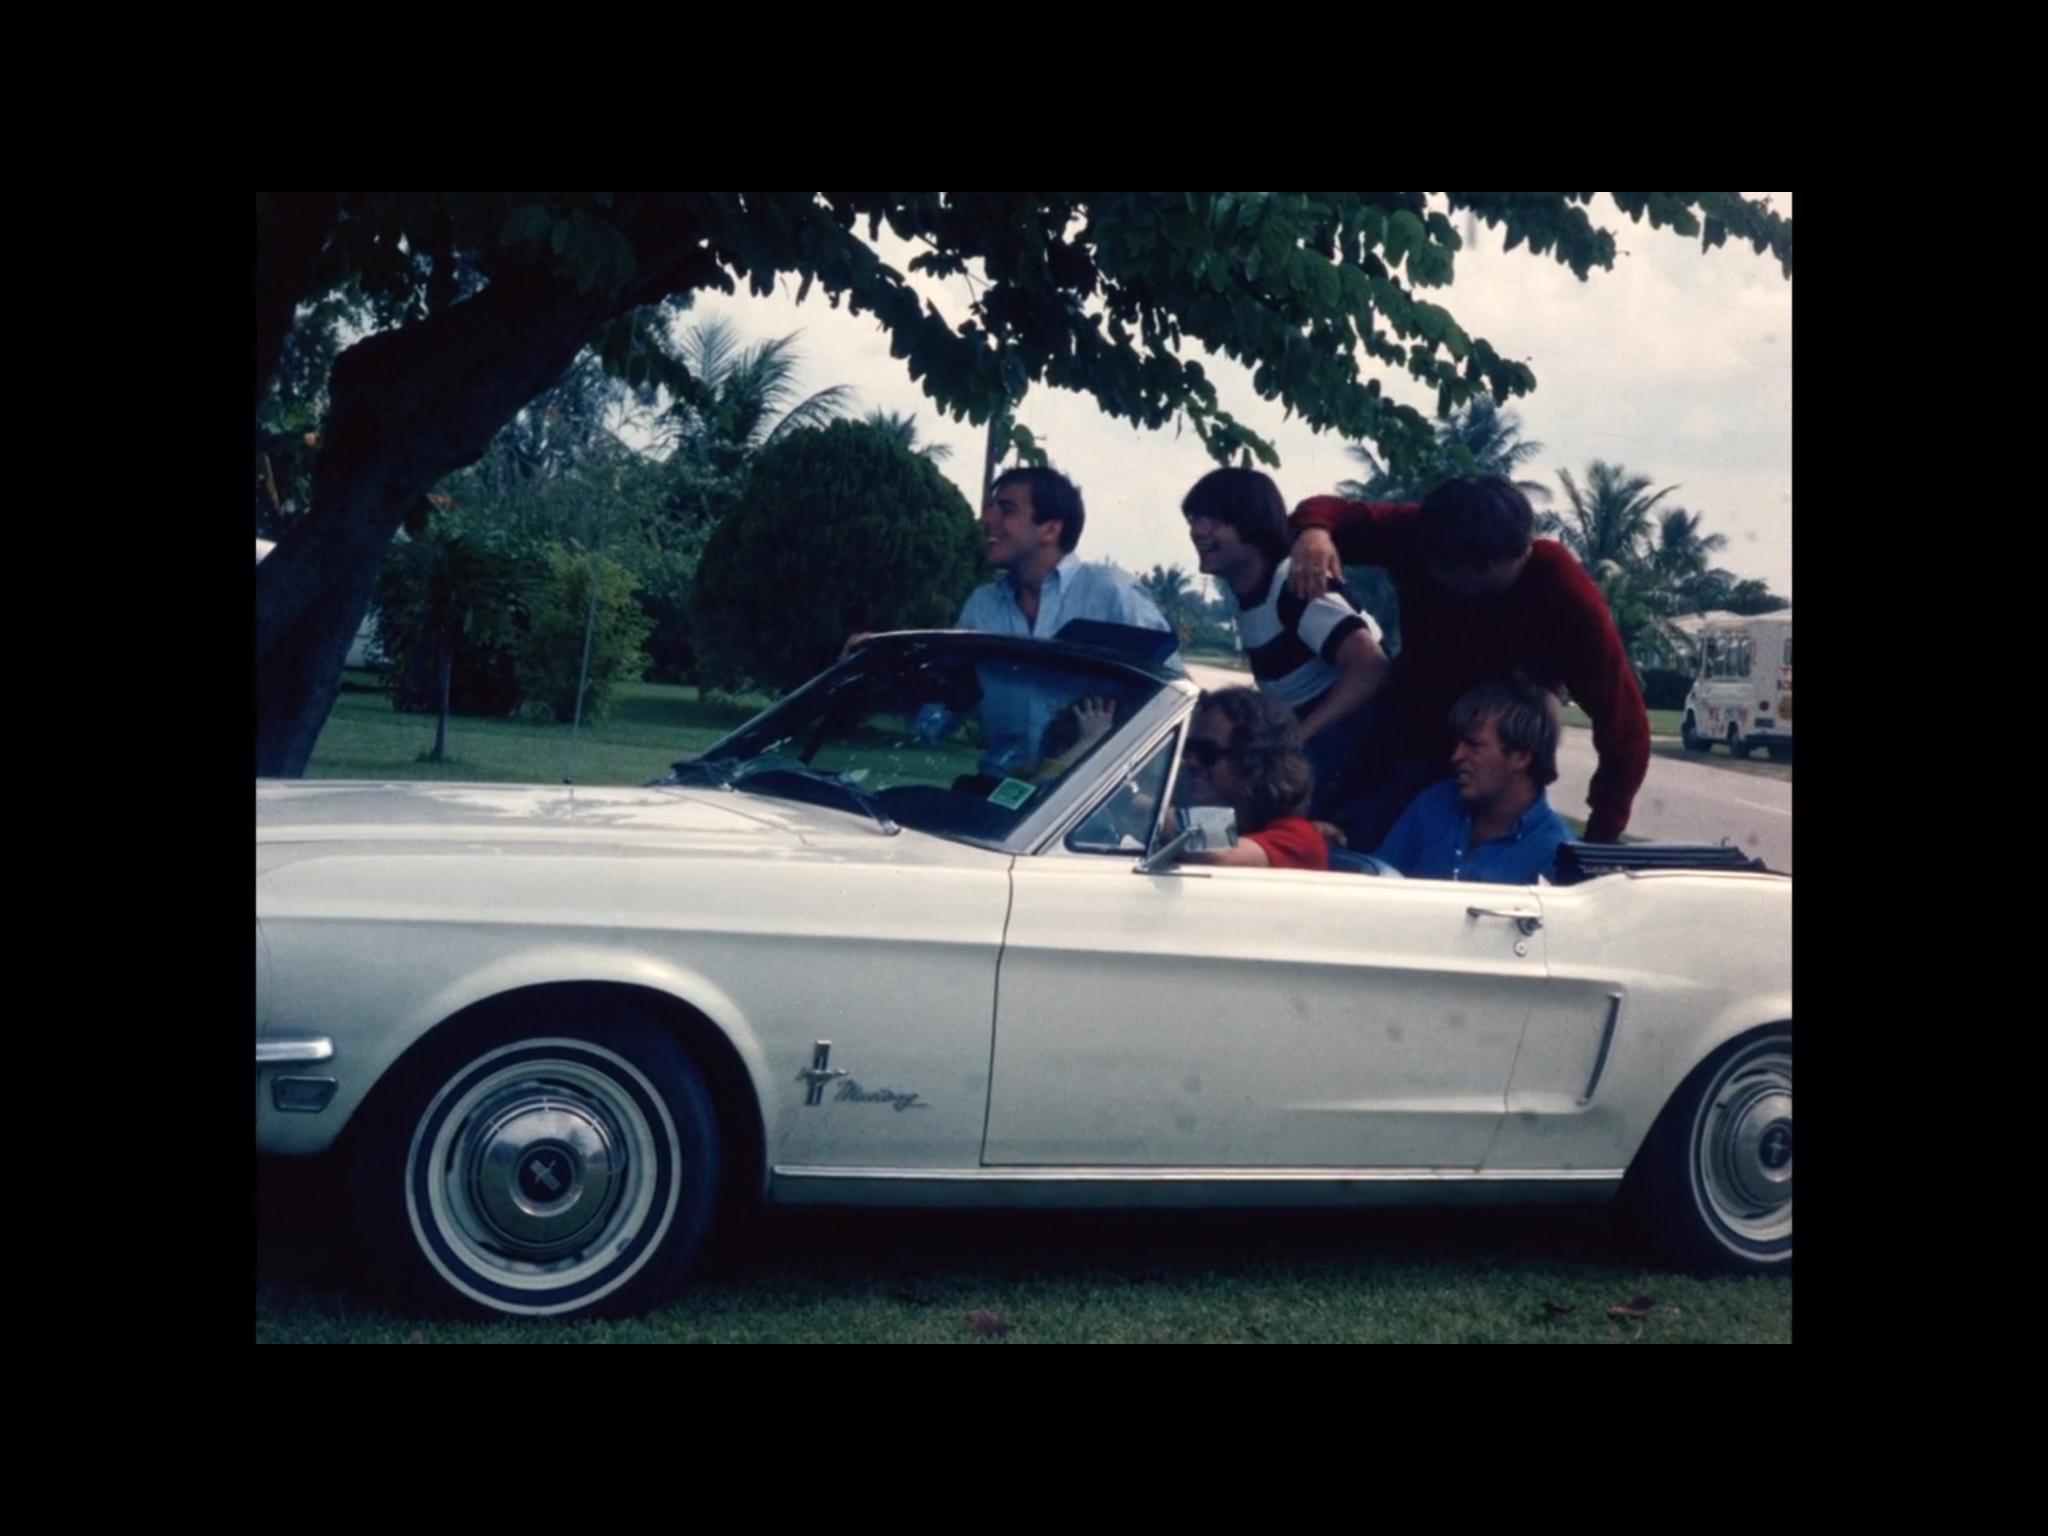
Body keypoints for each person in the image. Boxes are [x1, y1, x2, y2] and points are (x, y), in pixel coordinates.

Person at [1287, 474, 1649, 846]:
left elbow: (1625, 729)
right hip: (1402, 715)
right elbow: (1337, 512)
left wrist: (1601, 839)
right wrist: (1315, 531)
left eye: (1450, 569)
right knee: (1300, 800)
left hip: (1483, 744)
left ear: (1504, 561)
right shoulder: (1427, 532)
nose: (1437, 575)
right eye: (1433, 563)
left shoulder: (1562, 591)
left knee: (1378, 834)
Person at [1181, 467, 1388, 817]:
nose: (1198, 531)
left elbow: (1371, 667)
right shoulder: (1251, 596)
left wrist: (1295, 739)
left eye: (1215, 521)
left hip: (1357, 751)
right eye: (1195, 519)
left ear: (1250, 524)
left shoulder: (1294, 588)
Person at [1372, 677, 1571, 885]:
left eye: (1473, 746)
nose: (1456, 756)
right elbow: (1377, 884)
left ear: (1520, 757)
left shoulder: (1555, 854)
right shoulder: (1435, 803)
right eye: (1458, 744)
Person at [1178, 687, 1329, 870]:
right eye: (1188, 749)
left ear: (1253, 763)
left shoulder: (1300, 838)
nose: (1192, 762)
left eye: (1207, 752)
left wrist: (1152, 819)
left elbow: (1218, 854)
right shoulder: (1225, 824)